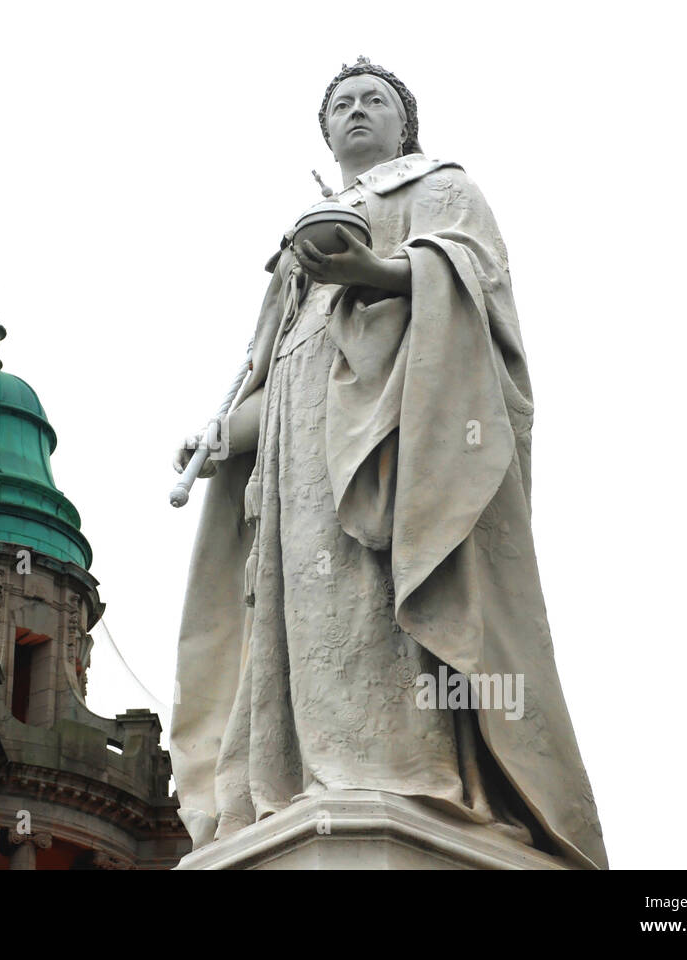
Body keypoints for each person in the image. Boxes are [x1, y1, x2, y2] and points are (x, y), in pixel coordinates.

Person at [170, 57, 608, 869]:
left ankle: (405, 770)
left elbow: (474, 282)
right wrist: (225, 437)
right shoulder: (297, 245)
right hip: (298, 454)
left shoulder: (440, 188)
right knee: (303, 611)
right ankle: (304, 774)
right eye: (343, 104)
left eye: (376, 100)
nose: (359, 110)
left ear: (406, 124)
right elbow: (285, 365)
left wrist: (374, 272)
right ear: (327, 132)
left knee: (378, 599)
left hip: (397, 442)